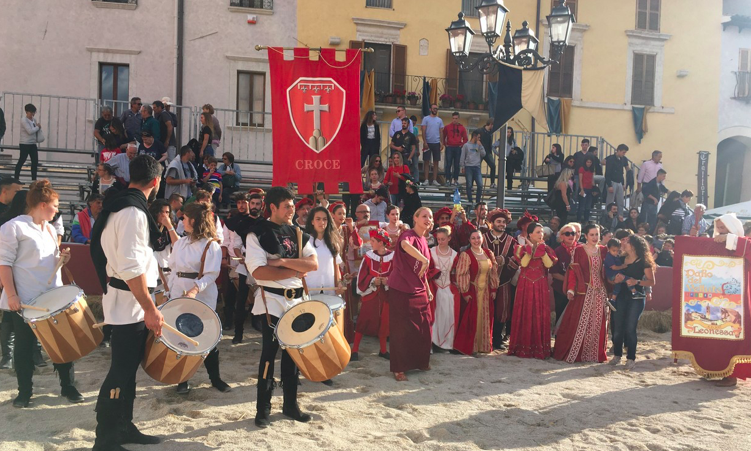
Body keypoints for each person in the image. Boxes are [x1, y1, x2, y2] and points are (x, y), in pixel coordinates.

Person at [89, 155, 165, 449]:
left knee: (127, 370)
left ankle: (124, 426)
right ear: (156, 182)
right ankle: (105, 436)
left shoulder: (120, 205)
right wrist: (150, 309)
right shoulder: (132, 212)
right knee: (121, 371)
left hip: (127, 300)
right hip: (130, 304)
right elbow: (131, 267)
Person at [0, 181, 81, 408]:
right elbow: (4, 265)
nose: (57, 209)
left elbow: (47, 261)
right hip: (26, 300)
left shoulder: (48, 228)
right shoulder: (13, 227)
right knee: (24, 347)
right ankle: (24, 392)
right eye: (55, 205)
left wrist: (61, 259)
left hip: (52, 297)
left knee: (63, 344)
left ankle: (68, 386)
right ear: (42, 204)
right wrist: (12, 295)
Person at [246, 186, 318, 428]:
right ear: (273, 207)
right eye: (286, 206)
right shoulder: (257, 233)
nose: (292, 210)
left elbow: (313, 263)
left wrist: (283, 262)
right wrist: (295, 270)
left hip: (296, 301)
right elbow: (259, 271)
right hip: (272, 302)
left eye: (293, 205)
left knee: (293, 354)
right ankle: (263, 409)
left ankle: (290, 405)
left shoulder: (297, 232)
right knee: (269, 354)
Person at [166, 202, 229, 395]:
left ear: (193, 220)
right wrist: (171, 293)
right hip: (179, 294)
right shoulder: (180, 243)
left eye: (184, 217)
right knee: (181, 337)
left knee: (208, 337)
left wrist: (195, 290)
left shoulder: (211, 245)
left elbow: (211, 275)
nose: (182, 220)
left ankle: (215, 379)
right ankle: (182, 380)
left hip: (202, 296)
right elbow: (173, 270)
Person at [388, 207, 433, 381]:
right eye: (424, 216)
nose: (427, 219)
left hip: (419, 289)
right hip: (401, 288)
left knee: (424, 327)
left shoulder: (424, 240)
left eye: (430, 217)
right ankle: (399, 368)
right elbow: (405, 246)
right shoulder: (408, 234)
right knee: (401, 330)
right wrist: (424, 259)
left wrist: (428, 289)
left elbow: (424, 271)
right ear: (415, 218)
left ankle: (420, 362)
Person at [553, 224, 610, 363]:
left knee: (598, 322)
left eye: (597, 234)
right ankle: (577, 353)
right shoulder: (579, 250)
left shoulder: (604, 250)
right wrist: (571, 289)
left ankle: (594, 354)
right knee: (578, 322)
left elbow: (608, 271)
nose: (595, 237)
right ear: (585, 236)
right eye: (592, 235)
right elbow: (573, 271)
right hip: (584, 291)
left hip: (600, 292)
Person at [508, 222, 557, 359]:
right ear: (530, 234)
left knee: (539, 313)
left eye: (541, 232)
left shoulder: (547, 249)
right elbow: (523, 263)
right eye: (537, 232)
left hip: (540, 284)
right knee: (525, 312)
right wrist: (531, 250)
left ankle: (539, 347)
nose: (541, 234)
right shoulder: (521, 248)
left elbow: (548, 264)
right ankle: (522, 346)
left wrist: (541, 250)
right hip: (525, 285)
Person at [610, 234, 655, 371]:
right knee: (617, 328)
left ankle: (631, 358)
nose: (624, 243)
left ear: (634, 245)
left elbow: (652, 281)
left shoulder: (644, 262)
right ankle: (617, 355)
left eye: (627, 242)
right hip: (621, 296)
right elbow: (612, 278)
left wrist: (637, 282)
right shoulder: (621, 259)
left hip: (636, 297)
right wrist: (615, 280)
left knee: (630, 328)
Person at [454, 229, 500, 355]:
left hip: (486, 291)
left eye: (478, 237)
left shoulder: (488, 253)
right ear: (469, 240)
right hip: (473, 291)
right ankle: (472, 347)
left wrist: (494, 288)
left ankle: (483, 346)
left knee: (485, 318)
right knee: (472, 318)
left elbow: (494, 272)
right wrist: (465, 292)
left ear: (482, 239)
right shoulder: (466, 255)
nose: (476, 240)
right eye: (473, 238)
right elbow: (462, 274)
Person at [353, 228, 393, 361]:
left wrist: (388, 281)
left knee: (385, 322)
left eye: (373, 240)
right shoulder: (368, 256)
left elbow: (396, 275)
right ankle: (355, 350)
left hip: (386, 295)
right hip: (371, 294)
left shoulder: (393, 257)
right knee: (363, 320)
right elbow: (362, 275)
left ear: (381, 243)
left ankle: (383, 350)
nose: (371, 243)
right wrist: (372, 280)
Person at [429, 226, 459, 351]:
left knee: (447, 315)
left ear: (449, 238)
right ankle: (433, 342)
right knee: (435, 315)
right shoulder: (431, 251)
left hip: (448, 287)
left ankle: (446, 342)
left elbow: (456, 273)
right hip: (434, 288)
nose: (440, 242)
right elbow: (427, 270)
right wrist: (433, 273)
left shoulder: (455, 255)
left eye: (443, 239)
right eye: (438, 239)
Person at [550, 223, 581, 326]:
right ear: (561, 236)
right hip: (561, 289)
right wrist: (570, 281)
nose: (571, 236)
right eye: (567, 233)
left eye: (573, 233)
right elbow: (554, 273)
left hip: (579, 290)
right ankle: (560, 340)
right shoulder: (557, 251)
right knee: (561, 317)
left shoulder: (582, 249)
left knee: (577, 317)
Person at [603, 238, 634, 309]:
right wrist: (622, 266)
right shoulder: (609, 257)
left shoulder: (615, 255)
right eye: (614, 251)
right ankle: (634, 292)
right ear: (608, 248)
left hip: (616, 274)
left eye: (617, 251)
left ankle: (613, 300)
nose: (616, 252)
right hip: (613, 275)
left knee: (618, 287)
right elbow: (614, 267)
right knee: (628, 279)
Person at [604, 144, 630, 220]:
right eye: (623, 152)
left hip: (619, 182)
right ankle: (607, 218)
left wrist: (623, 183)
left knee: (620, 202)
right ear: (618, 151)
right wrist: (609, 185)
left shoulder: (623, 159)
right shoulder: (611, 159)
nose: (624, 154)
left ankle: (620, 218)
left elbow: (621, 172)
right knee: (610, 202)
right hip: (612, 182)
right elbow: (607, 173)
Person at [460, 129, 486, 205]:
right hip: (468, 167)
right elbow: (463, 156)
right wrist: (463, 166)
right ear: (474, 136)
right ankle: (470, 200)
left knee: (480, 185)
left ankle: (478, 201)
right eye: (478, 137)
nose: (479, 139)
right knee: (469, 184)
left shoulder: (479, 145)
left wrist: (480, 146)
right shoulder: (466, 145)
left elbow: (483, 154)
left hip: (477, 167)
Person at [16, 103, 41, 182]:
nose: (32, 114)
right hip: (25, 144)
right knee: (22, 160)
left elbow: (34, 131)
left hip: (32, 143)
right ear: (26, 112)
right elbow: (30, 131)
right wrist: (38, 127)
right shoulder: (24, 120)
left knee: (35, 162)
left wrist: (36, 128)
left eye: (33, 112)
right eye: (31, 112)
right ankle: (16, 178)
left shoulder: (34, 120)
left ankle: (34, 180)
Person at [442, 112, 468, 187]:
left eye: (456, 119)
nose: (454, 120)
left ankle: (455, 180)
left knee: (457, 165)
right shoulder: (447, 127)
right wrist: (445, 144)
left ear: (458, 119)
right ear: (451, 118)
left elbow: (465, 139)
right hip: (449, 147)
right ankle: (447, 180)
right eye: (453, 118)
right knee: (448, 164)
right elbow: (443, 136)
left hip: (458, 148)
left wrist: (461, 145)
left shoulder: (462, 128)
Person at [421, 104, 444, 186]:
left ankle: (434, 180)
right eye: (434, 108)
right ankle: (426, 180)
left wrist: (441, 142)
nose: (435, 110)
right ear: (430, 109)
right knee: (426, 161)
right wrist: (425, 142)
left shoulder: (440, 120)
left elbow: (441, 131)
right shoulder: (425, 119)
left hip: (436, 143)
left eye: (436, 109)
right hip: (428, 143)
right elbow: (423, 130)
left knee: (436, 162)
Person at [478, 120, 496, 189]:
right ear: (491, 124)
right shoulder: (480, 130)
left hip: (487, 152)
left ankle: (492, 183)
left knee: (493, 166)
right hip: (480, 151)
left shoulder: (490, 132)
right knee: (476, 167)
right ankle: (477, 182)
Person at [577, 156, 596, 222]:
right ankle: (579, 220)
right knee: (582, 206)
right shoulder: (582, 169)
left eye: (590, 162)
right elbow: (580, 179)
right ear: (585, 162)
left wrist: (594, 189)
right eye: (588, 162)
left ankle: (586, 220)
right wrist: (581, 189)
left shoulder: (592, 170)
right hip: (584, 188)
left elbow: (592, 180)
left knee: (588, 207)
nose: (589, 163)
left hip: (590, 189)